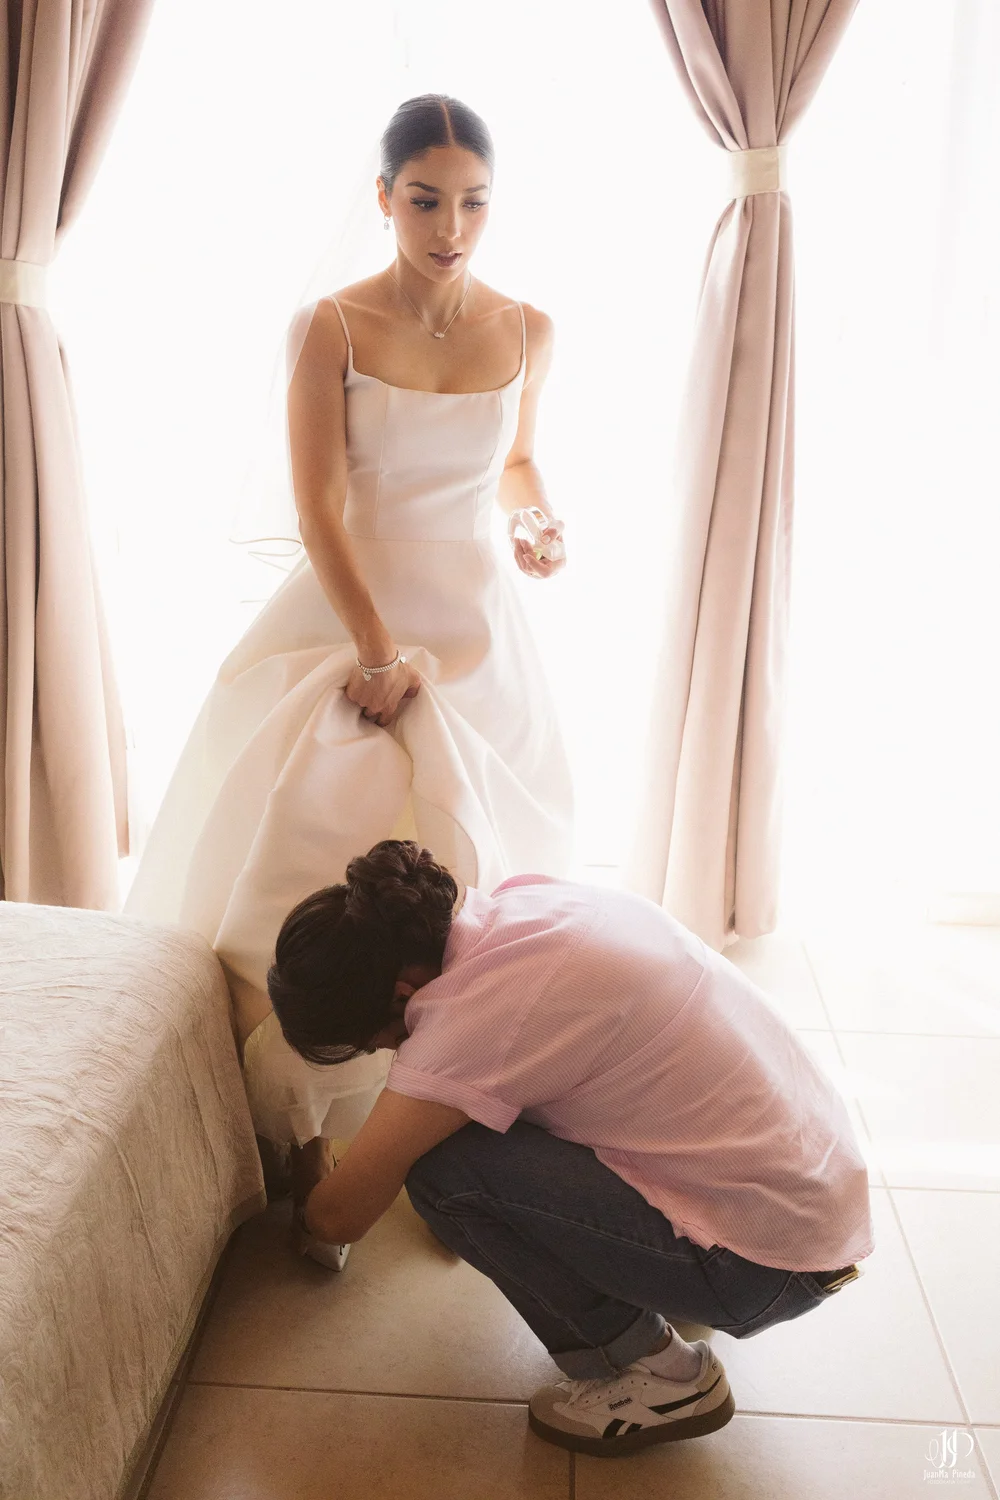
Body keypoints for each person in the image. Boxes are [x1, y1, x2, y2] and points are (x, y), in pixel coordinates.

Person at [124, 95, 572, 1264]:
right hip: (349, 614)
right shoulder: (329, 325)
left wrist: (536, 520)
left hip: (473, 628)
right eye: (424, 200)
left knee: (479, 882)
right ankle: (300, 1129)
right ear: (382, 197)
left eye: (472, 203)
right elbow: (318, 503)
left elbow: (516, 458)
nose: (449, 227)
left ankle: (452, 1118)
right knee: (309, 858)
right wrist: (372, 648)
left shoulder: (528, 326)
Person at [267, 838, 874, 1460]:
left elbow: (338, 1218)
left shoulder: (474, 1016)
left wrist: (307, 1184)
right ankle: (668, 1277)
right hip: (811, 1199)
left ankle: (664, 1377)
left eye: (377, 1041)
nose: (391, 1052)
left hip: (762, 1266)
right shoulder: (525, 905)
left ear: (402, 993)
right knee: (486, 1121)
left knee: (442, 1170)